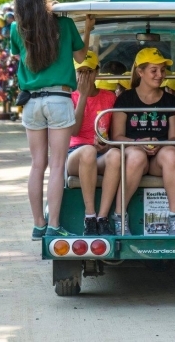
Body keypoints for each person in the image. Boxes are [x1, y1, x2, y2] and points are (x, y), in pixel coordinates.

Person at [10, 0, 94, 240]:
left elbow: (18, 59)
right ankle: (53, 224)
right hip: (59, 99)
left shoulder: (16, 29)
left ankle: (38, 224)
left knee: (38, 165)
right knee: (58, 165)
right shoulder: (65, 23)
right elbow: (82, 57)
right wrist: (87, 29)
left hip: (32, 102)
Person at [110, 48, 175, 235]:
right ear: (140, 72)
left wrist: (160, 145)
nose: (160, 75)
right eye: (154, 70)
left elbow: (174, 138)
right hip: (135, 155)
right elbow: (116, 136)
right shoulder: (125, 98)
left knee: (172, 153)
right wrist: (137, 142)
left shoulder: (170, 100)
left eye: (162, 70)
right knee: (136, 156)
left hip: (160, 157)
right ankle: (119, 215)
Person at [66, 51, 120, 236]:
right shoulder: (70, 96)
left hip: (100, 153)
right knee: (87, 151)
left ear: (97, 72)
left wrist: (107, 145)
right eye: (80, 71)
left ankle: (102, 217)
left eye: (89, 71)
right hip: (76, 153)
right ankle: (89, 216)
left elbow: (113, 133)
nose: (85, 76)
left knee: (115, 155)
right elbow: (73, 131)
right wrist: (82, 96)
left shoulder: (109, 97)